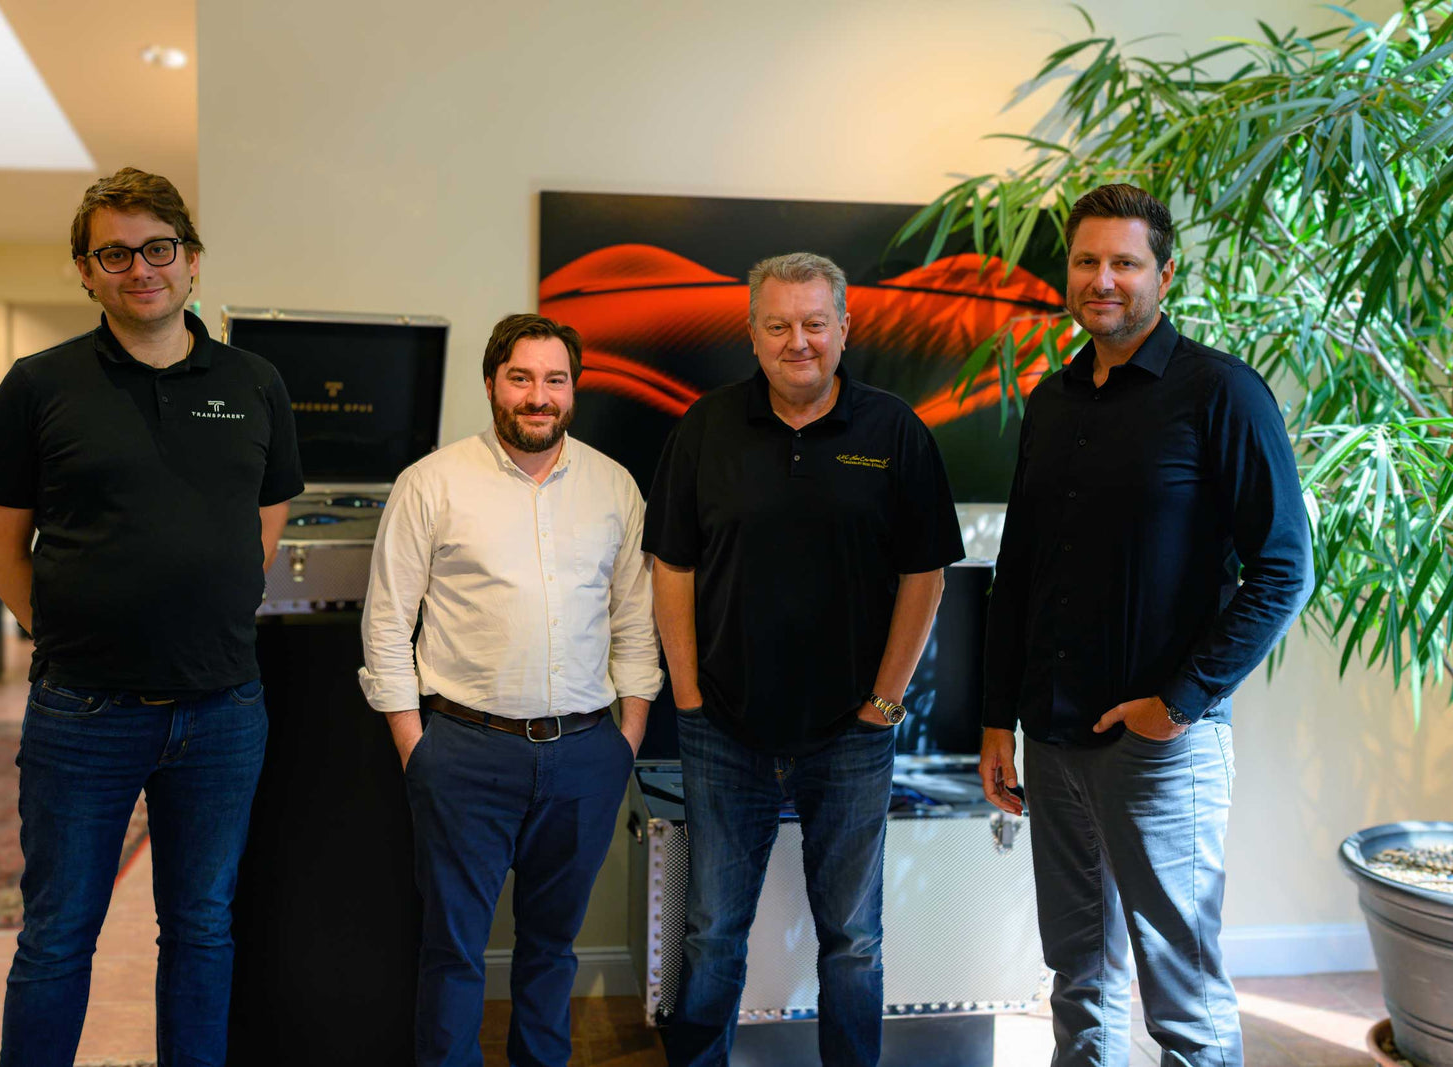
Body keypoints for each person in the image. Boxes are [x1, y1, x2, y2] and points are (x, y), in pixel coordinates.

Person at [0, 167, 303, 1067]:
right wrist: (68, 629)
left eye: (158, 248)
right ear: (85, 272)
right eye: (113, 252)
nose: (139, 267)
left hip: (224, 709)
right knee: (57, 934)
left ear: (192, 262)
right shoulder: (39, 386)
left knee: (200, 928)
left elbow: (263, 523)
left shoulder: (256, 381)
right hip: (83, 711)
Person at [978, 183, 1314, 1067]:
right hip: (1051, 742)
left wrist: (1179, 702)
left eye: (1125, 262)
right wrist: (993, 718)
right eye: (1087, 261)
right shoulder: (1051, 404)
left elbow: (1285, 568)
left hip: (1161, 748)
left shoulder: (1220, 393)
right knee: (1078, 979)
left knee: (1183, 996)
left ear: (1164, 273)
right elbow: (1020, 575)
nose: (1104, 279)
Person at [643, 252, 965, 1067]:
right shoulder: (704, 429)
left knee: (854, 938)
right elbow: (671, 567)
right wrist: (685, 693)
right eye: (778, 324)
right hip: (723, 728)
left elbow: (924, 572)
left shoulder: (894, 431)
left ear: (844, 328)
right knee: (713, 930)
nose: (799, 341)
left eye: (815, 323)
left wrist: (885, 703)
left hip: (852, 736)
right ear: (751, 333)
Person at [359, 312, 663, 1067]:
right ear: (493, 383)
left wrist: (625, 740)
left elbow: (635, 619)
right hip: (463, 752)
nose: (538, 396)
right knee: (454, 950)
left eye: (554, 379)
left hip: (586, 755)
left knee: (552, 948)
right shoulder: (431, 483)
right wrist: (415, 746)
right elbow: (387, 623)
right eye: (521, 378)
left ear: (573, 388)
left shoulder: (613, 486)